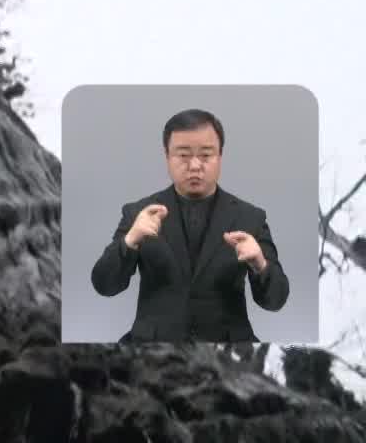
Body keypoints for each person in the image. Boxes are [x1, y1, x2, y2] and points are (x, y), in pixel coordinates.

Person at [89, 108, 289, 342]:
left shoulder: (250, 218)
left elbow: (276, 301)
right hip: (153, 349)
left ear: (220, 156)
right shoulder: (139, 214)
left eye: (206, 155)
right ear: (167, 156)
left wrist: (260, 264)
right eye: (183, 155)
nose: (195, 165)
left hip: (228, 351)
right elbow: (104, 285)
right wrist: (130, 240)